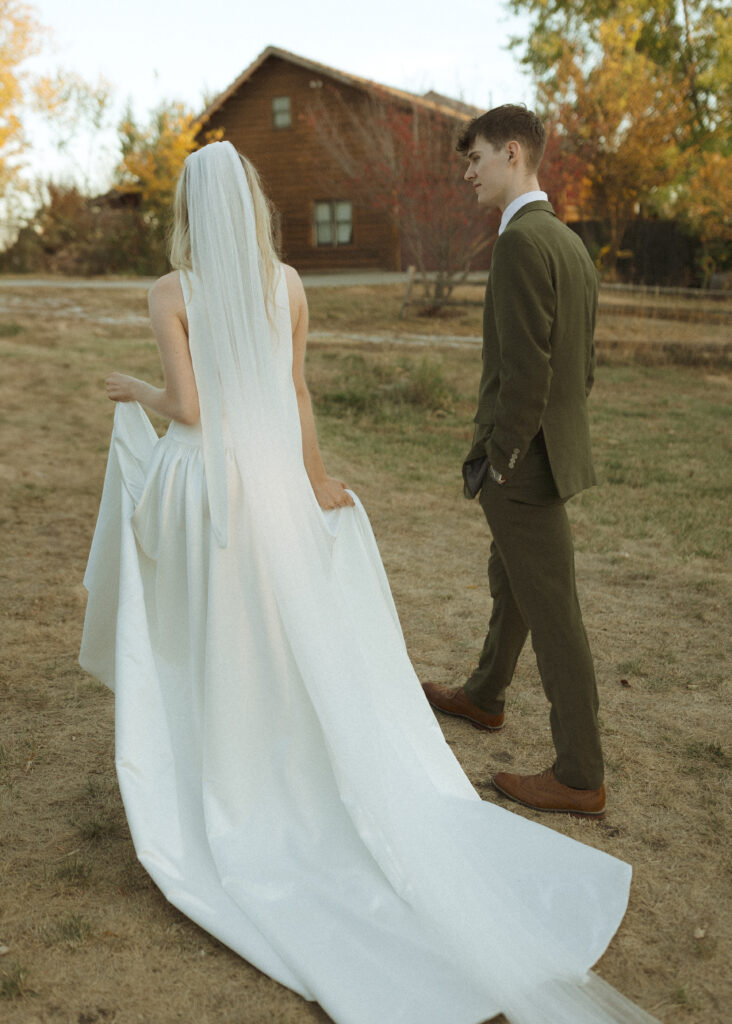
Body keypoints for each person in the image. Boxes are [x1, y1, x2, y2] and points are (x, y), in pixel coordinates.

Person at [80, 140, 658, 1024]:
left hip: (209, 483)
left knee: (210, 627)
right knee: (277, 626)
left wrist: (137, 390)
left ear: (193, 211)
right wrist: (312, 480)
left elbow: (191, 408)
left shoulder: (171, 292)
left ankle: (218, 760)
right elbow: (299, 392)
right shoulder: (291, 285)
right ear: (255, 203)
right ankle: (268, 750)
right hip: (273, 478)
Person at [423, 105, 605, 818]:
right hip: (547, 457)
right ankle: (486, 694)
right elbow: (580, 370)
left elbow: (527, 374)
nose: (468, 172)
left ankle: (580, 773)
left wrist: (499, 461)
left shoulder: (522, 244)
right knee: (514, 581)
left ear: (514, 154)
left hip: (521, 466)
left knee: (554, 612)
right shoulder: (567, 243)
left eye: (476, 159)